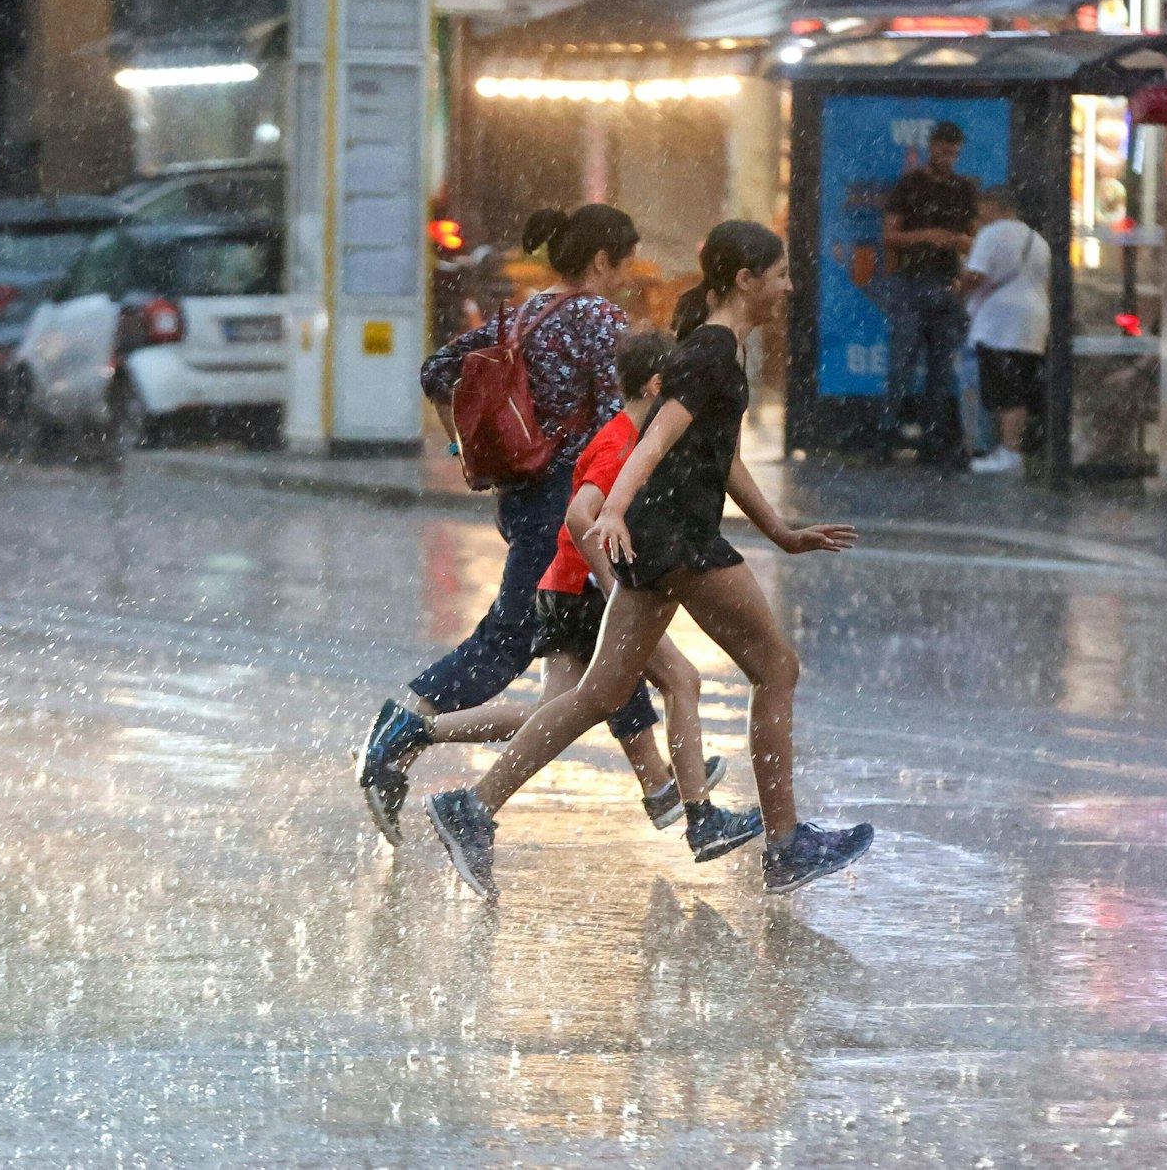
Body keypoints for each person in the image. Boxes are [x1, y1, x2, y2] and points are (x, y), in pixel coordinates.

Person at [425, 221, 874, 901]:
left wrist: (780, 531)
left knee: (600, 693)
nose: (789, 287)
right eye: (781, 274)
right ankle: (785, 844)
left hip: (660, 538)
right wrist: (609, 510)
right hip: (680, 541)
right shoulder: (712, 350)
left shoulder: (717, 348)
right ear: (746, 280)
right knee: (777, 668)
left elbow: (720, 455)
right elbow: (653, 440)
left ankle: (473, 805)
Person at [352, 204, 665, 845]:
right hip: (567, 504)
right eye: (625, 261)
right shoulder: (601, 319)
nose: (629, 274)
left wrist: (461, 451)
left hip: (524, 494)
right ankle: (402, 729)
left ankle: (665, 786)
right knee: (512, 637)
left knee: (599, 638)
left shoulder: (524, 312)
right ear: (602, 260)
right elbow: (621, 421)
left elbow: (436, 371)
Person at [398, 333, 762, 858]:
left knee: (559, 711)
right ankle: (696, 813)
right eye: (679, 388)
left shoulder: (628, 435)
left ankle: (425, 737)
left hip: (566, 590)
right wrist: (616, 588)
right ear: (656, 385)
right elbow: (578, 517)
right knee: (680, 680)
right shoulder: (622, 444)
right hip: (583, 593)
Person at [878, 120, 977, 468]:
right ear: (931, 147)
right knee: (901, 366)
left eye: (954, 153)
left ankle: (931, 442)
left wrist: (957, 241)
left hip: (946, 284)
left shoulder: (963, 189)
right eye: (944, 151)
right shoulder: (909, 184)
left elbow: (973, 239)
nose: (949, 158)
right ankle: (887, 437)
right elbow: (889, 236)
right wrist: (927, 236)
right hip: (910, 282)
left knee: (940, 369)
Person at [958, 186, 1051, 476]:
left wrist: (958, 289)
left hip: (999, 323)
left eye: (982, 207)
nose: (979, 213)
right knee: (1020, 388)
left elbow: (976, 274)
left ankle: (1009, 452)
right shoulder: (1038, 240)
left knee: (1005, 392)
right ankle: (1012, 450)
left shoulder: (991, 234)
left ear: (994, 205)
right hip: (1033, 322)